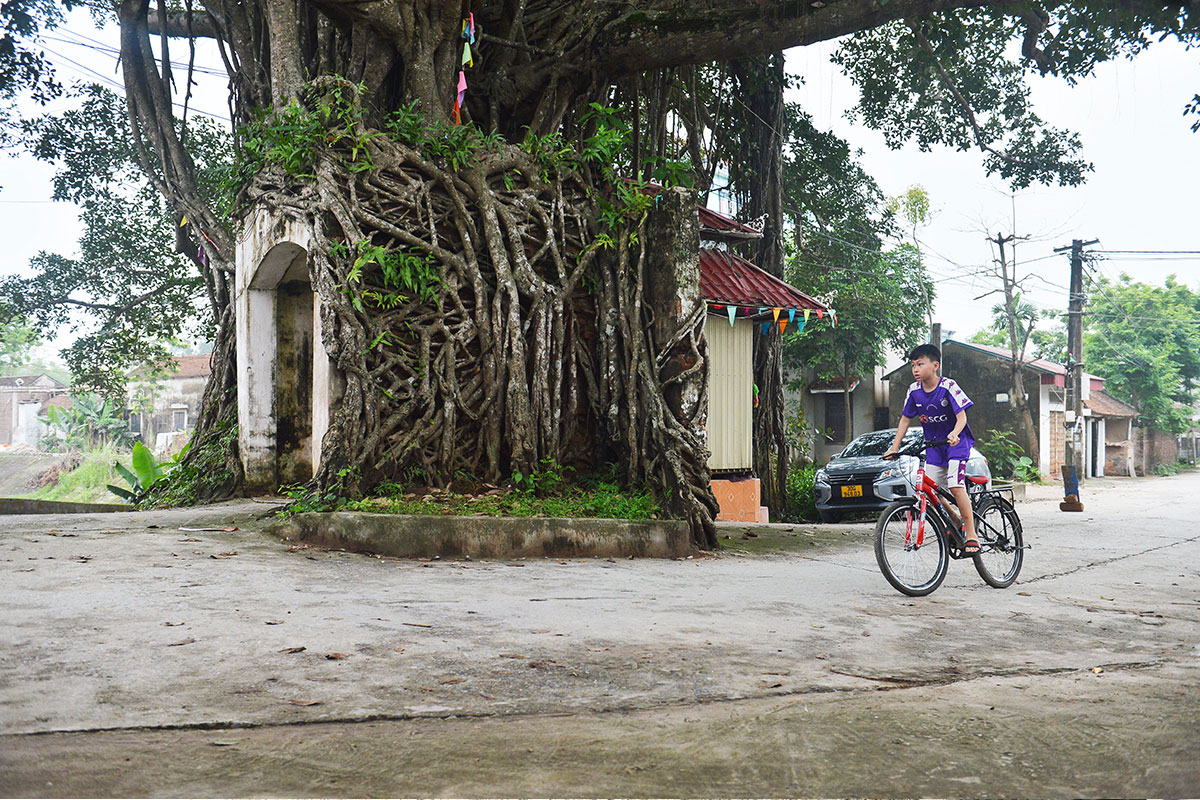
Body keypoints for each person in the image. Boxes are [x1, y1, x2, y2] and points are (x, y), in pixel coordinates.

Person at [883, 343, 979, 553]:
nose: (915, 369)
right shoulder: (914, 391)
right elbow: (905, 419)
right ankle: (954, 519)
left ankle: (971, 533)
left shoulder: (948, 386)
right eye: (913, 365)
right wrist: (894, 447)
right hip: (934, 447)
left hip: (956, 444)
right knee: (930, 492)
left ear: (935, 365)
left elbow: (962, 416)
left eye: (920, 364)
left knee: (955, 485)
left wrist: (954, 433)